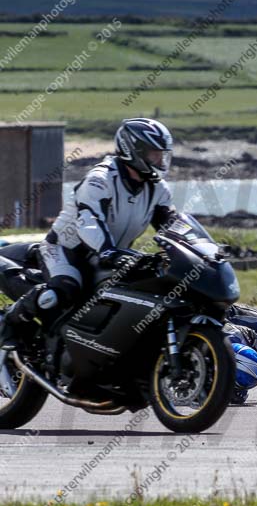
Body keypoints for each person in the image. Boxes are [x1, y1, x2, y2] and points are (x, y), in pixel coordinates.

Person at [0, 117, 177, 348]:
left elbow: (173, 224)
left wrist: (199, 249)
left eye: (162, 154)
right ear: (134, 150)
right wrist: (108, 251)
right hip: (65, 250)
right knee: (65, 288)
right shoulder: (100, 179)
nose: (159, 160)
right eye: (154, 153)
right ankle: (9, 323)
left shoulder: (157, 189)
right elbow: (89, 221)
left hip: (110, 257)